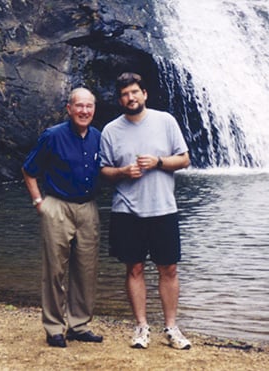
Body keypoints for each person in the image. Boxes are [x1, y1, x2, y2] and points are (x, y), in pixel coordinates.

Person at [99, 72, 191, 350]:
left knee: (169, 268)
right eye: (126, 94)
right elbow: (104, 171)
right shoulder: (110, 131)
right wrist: (123, 171)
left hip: (163, 207)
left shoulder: (166, 121)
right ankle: (141, 327)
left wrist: (159, 161)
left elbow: (184, 159)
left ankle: (171, 328)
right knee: (135, 267)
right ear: (120, 100)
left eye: (135, 92)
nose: (131, 97)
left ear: (144, 94)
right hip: (127, 210)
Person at [22, 87, 103, 348]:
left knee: (86, 270)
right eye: (79, 106)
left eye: (88, 106)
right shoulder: (52, 136)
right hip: (57, 206)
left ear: (94, 109)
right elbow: (29, 170)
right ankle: (54, 327)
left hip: (88, 208)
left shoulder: (98, 137)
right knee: (55, 270)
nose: (84, 111)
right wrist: (39, 203)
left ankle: (78, 325)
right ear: (69, 108)